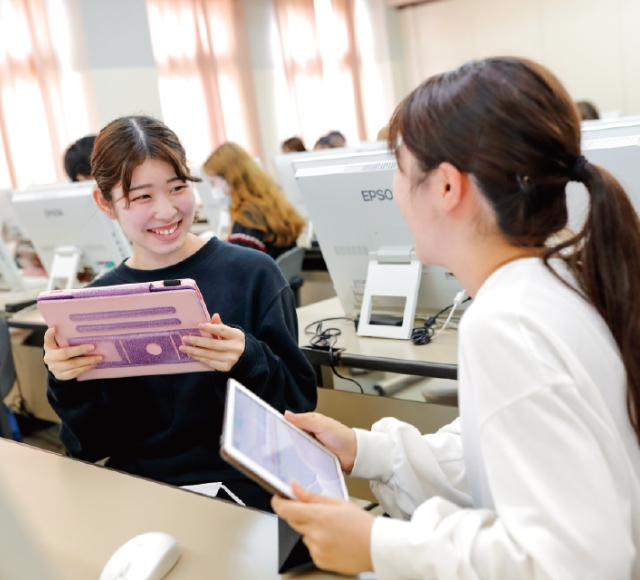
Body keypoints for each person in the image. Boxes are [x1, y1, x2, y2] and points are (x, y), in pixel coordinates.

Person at [273, 57, 640, 578]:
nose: (395, 191)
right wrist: (367, 450)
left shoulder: (506, 323)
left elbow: (576, 561)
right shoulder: (559, 280)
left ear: (446, 187)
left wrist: (380, 544)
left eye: (398, 169)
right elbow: (509, 453)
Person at [44, 116, 317, 512]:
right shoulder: (94, 303)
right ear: (105, 203)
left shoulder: (252, 273)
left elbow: (301, 409)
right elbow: (88, 446)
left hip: (250, 484)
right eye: (142, 197)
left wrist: (249, 359)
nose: (167, 211)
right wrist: (67, 381)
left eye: (178, 187)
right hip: (143, 489)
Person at [203, 142, 305, 260]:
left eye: (213, 183)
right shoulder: (271, 205)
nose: (213, 190)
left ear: (231, 178)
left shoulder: (246, 221)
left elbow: (238, 271)